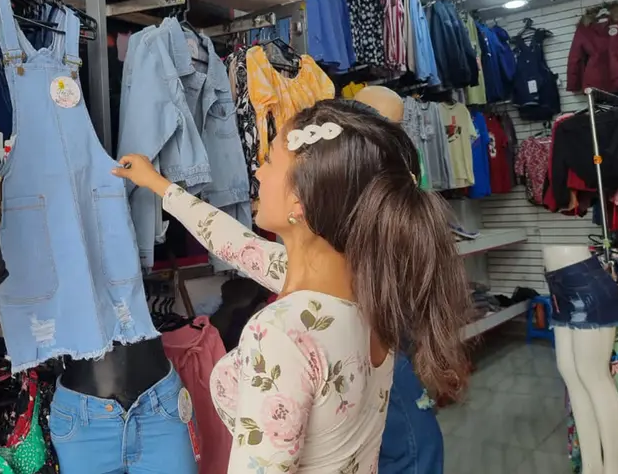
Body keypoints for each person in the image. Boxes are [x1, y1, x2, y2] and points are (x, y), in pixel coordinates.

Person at [114, 100, 470, 473]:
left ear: (299, 202)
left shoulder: (282, 332)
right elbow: (234, 242)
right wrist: (157, 183)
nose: (258, 171)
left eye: (269, 161)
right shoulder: (367, 288)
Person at [351, 87, 446, 474]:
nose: (395, 135)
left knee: (406, 428)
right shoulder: (349, 171)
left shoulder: (396, 165)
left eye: (398, 126)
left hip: (396, 305)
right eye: (385, 126)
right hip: (368, 311)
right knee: (410, 434)